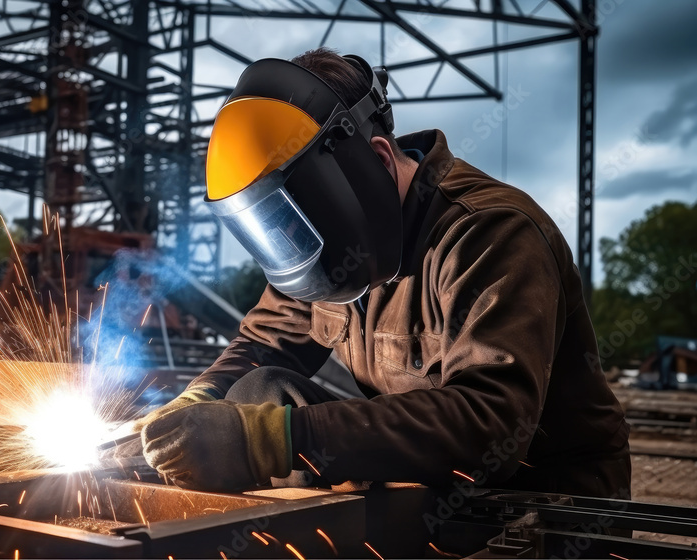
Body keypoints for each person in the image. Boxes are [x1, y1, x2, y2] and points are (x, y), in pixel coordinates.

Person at [135, 48, 631, 499]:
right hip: (430, 480)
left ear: (373, 161)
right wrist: (196, 399)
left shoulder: (490, 232)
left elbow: (492, 420)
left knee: (261, 424)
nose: (293, 239)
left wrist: (278, 440)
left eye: (297, 220)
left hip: (540, 499)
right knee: (255, 391)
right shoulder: (323, 242)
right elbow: (267, 340)